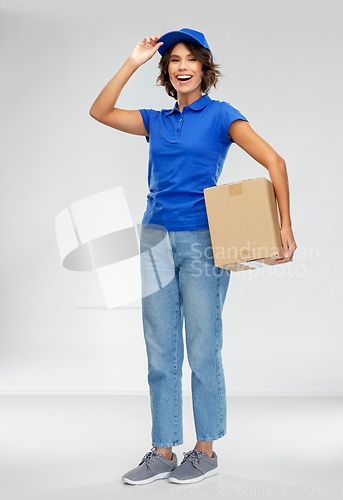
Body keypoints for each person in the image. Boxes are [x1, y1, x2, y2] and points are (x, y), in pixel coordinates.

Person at [89, 28, 297, 486]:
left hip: (206, 241)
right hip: (154, 239)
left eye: (190, 59)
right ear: (166, 72)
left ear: (204, 68)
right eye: (173, 61)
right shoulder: (156, 121)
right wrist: (134, 60)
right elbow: (99, 111)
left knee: (203, 348)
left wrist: (284, 225)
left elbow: (275, 162)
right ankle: (163, 449)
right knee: (161, 352)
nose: (182, 66)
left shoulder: (222, 116)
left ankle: (204, 450)